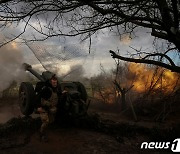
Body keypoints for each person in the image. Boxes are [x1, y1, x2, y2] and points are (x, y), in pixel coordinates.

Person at [37, 73, 59, 142]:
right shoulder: (46, 89)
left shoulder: (55, 89)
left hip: (50, 108)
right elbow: (38, 97)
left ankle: (44, 130)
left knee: (51, 121)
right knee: (46, 121)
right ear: (50, 82)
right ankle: (42, 135)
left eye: (56, 82)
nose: (55, 83)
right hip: (43, 107)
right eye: (53, 82)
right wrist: (39, 107)